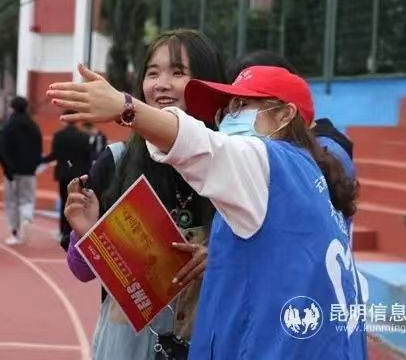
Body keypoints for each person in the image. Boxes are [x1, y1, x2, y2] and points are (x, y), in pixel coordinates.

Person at [47, 64, 367, 359]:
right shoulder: (311, 176)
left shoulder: (266, 162)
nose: (230, 117)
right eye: (227, 109)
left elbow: (196, 143)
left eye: (243, 105)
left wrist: (126, 108)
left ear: (285, 116)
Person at [61, 29, 227, 359]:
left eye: (178, 72)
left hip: (206, 341)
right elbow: (81, 272)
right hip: (127, 347)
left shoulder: (230, 166)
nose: (161, 84)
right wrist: (90, 234)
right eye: (153, 73)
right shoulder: (116, 162)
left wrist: (221, 261)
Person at [228, 49, 355, 178]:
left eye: (244, 104)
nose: (233, 116)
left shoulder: (326, 153)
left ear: (284, 113)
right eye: (232, 107)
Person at [42, 113, 94, 250]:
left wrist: (40, 161)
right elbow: (89, 156)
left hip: (64, 174)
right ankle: (75, 231)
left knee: (65, 202)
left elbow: (54, 155)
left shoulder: (59, 136)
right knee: (78, 203)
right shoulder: (84, 137)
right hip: (79, 174)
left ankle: (62, 232)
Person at [0, 96, 43, 245]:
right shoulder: (34, 126)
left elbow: (1, 148)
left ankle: (15, 232)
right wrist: (34, 166)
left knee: (12, 202)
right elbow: (39, 148)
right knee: (27, 199)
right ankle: (27, 217)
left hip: (12, 172)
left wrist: (7, 167)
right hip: (29, 171)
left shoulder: (8, 127)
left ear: (12, 108)